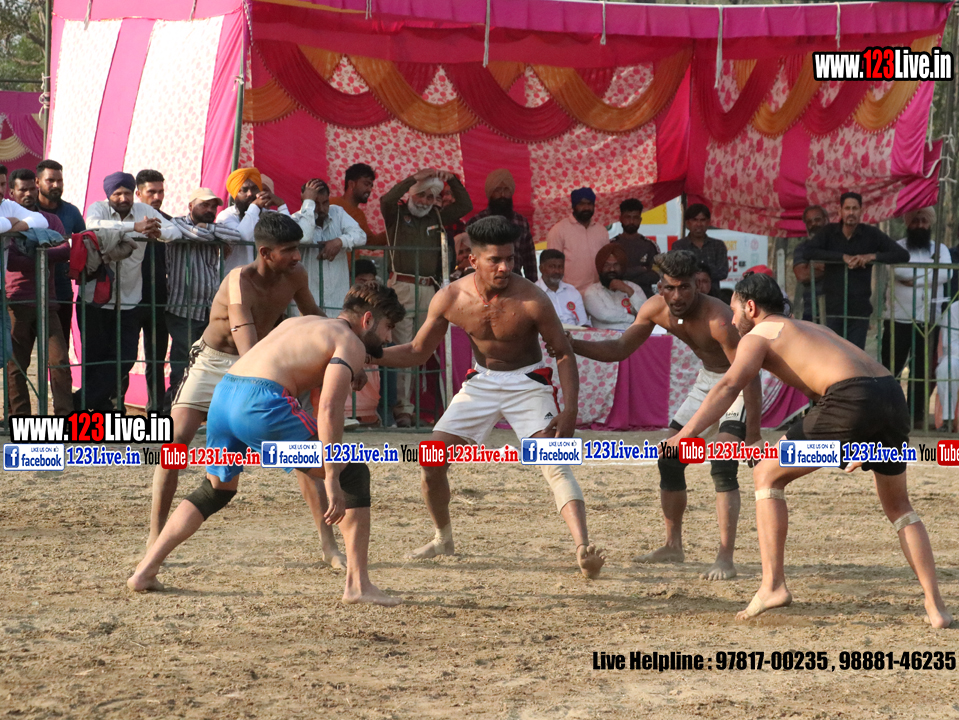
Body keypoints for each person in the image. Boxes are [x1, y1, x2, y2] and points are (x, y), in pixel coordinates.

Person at [665, 272, 952, 628]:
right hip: (890, 393)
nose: (732, 320)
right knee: (899, 507)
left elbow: (728, 386)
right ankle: (935, 606)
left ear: (751, 307)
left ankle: (773, 586)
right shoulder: (808, 327)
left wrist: (685, 436)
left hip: (848, 398)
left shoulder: (759, 334)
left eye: (735, 311)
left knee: (766, 473)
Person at [129, 284, 406, 606]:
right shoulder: (350, 342)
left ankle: (145, 571)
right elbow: (330, 408)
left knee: (215, 490)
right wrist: (332, 476)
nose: (388, 338)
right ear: (368, 319)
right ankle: (358, 585)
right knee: (352, 473)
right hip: (262, 405)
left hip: (225, 396)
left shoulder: (302, 323)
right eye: (388, 327)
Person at [375, 215, 605, 577]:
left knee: (554, 461)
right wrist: (368, 356)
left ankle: (583, 548)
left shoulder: (533, 299)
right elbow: (417, 351)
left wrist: (571, 409)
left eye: (510, 259)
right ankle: (443, 539)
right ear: (473, 260)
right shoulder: (451, 297)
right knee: (431, 460)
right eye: (495, 260)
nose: (504, 267)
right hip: (481, 382)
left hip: (528, 383)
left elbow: (563, 352)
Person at [146, 212, 337, 561]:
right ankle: (154, 539)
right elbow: (246, 346)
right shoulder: (239, 280)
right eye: (289, 250)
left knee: (302, 450)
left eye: (297, 248)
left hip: (261, 363)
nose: (297, 256)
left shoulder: (296, 274)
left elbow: (313, 317)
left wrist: (345, 342)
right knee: (174, 443)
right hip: (216, 361)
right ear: (265, 253)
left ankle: (329, 545)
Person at [567, 250, 762, 580]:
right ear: (660, 287)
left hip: (738, 381)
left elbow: (749, 375)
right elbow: (619, 349)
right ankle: (673, 546)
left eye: (685, 287)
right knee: (670, 458)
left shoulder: (718, 319)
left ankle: (725, 558)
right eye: (670, 288)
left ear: (698, 285)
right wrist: (572, 344)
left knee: (722, 462)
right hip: (709, 381)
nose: (677, 296)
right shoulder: (655, 308)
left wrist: (753, 435)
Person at [380, 168, 472, 427]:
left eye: (432, 197)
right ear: (412, 194)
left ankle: (413, 406)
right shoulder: (396, 214)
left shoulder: (438, 216)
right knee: (404, 346)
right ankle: (403, 409)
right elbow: (387, 199)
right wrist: (414, 178)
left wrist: (452, 180)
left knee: (421, 348)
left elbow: (465, 205)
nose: (426, 202)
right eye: (422, 195)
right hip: (402, 287)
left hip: (430, 290)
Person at [82, 171, 180, 413]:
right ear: (109, 195)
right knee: (96, 357)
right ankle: (100, 410)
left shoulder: (143, 210)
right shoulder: (98, 209)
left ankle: (81, 402)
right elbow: (93, 225)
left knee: (126, 357)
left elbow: (174, 231)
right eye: (118, 194)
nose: (124, 198)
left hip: (129, 299)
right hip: (96, 298)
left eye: (127, 193)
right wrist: (134, 227)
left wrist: (158, 233)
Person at [4, 168, 72, 415]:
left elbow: (65, 249)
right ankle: (19, 417)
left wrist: (38, 254)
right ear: (12, 193)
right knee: (16, 365)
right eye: (22, 190)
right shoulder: (8, 221)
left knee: (59, 361)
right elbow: (12, 261)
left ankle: (65, 417)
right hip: (17, 301)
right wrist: (44, 253)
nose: (29, 193)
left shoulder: (50, 220)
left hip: (47, 300)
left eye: (32, 188)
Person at [805, 191, 909, 349]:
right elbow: (809, 252)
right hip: (833, 307)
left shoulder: (871, 234)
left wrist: (871, 257)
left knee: (855, 355)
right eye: (847, 208)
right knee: (833, 353)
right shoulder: (828, 232)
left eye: (855, 208)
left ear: (861, 211)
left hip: (859, 308)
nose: (851, 212)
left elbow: (902, 255)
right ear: (840, 211)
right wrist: (842, 257)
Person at [166, 188, 242, 405]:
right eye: (204, 205)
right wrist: (212, 235)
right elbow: (196, 235)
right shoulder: (176, 224)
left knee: (205, 362)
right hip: (183, 307)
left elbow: (236, 236)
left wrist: (209, 229)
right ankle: (173, 407)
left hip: (208, 309)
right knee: (183, 362)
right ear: (191, 206)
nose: (209, 210)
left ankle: (195, 407)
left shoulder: (212, 227)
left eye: (213, 206)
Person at [882, 207, 951, 429]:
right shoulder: (898, 247)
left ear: (929, 224)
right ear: (907, 223)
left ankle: (915, 416)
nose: (919, 225)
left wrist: (915, 279)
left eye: (923, 221)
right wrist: (930, 274)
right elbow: (898, 271)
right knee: (891, 368)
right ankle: (889, 414)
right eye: (915, 220)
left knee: (922, 369)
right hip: (898, 318)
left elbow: (946, 273)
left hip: (929, 319)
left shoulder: (940, 248)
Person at [291, 179, 366, 315]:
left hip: (336, 302)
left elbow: (361, 236)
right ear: (305, 201)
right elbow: (305, 237)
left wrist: (340, 241)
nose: (321, 209)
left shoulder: (337, 213)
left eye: (325, 202)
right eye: (315, 203)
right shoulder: (295, 219)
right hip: (306, 307)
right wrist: (308, 203)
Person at [133, 169, 171, 414]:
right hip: (129, 299)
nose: (157, 197)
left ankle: (156, 410)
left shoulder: (169, 222)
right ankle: (114, 409)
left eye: (161, 192)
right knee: (123, 357)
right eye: (151, 192)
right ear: (139, 194)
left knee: (156, 359)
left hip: (159, 299)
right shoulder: (126, 222)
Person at [36, 159, 83, 349]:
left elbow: (83, 244)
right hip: (27, 290)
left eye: (59, 180)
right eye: (50, 180)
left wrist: (73, 266)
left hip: (61, 290)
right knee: (19, 354)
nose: (56, 185)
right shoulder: (26, 211)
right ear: (38, 182)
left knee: (60, 350)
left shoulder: (71, 212)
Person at [466, 169, 536, 281]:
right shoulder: (476, 221)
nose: (502, 195)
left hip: (515, 282)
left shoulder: (521, 222)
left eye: (506, 190)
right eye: (497, 190)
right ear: (490, 193)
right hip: (486, 283)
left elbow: (529, 259)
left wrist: (532, 286)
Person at [218, 167, 290, 274]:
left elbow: (290, 235)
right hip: (237, 278)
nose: (250, 194)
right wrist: (254, 206)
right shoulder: (226, 216)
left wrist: (281, 205)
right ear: (235, 195)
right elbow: (243, 236)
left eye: (255, 188)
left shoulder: (269, 214)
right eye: (244, 190)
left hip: (266, 279)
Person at [545, 187, 609, 296]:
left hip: (599, 294)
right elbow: (551, 266)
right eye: (581, 204)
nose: (586, 208)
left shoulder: (601, 231)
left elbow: (607, 262)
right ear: (573, 206)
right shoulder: (559, 230)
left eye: (589, 204)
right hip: (570, 295)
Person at [583, 244, 646, 330]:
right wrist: (634, 318)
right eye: (607, 265)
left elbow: (646, 314)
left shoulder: (634, 288)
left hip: (634, 336)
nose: (611, 269)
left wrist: (629, 292)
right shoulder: (592, 291)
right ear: (600, 268)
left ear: (622, 267)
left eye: (616, 265)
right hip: (605, 337)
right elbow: (604, 315)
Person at [672, 203, 727, 299]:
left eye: (702, 220)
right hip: (688, 296)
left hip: (713, 296)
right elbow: (678, 271)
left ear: (708, 222)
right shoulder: (679, 246)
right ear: (687, 223)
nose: (699, 224)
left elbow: (723, 272)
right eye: (695, 220)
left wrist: (698, 273)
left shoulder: (718, 245)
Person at [612, 198, 660, 297]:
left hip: (645, 297)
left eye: (635, 217)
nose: (631, 221)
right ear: (620, 218)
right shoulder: (611, 245)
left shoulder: (650, 246)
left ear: (640, 220)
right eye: (628, 217)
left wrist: (626, 276)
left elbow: (656, 275)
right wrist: (642, 269)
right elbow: (611, 275)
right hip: (617, 297)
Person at [330, 163, 387, 246]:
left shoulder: (360, 215)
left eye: (371, 186)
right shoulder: (331, 205)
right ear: (351, 184)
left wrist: (395, 230)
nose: (369, 189)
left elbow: (370, 242)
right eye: (366, 184)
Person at [535, 249, 587, 327]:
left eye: (560, 267)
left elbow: (583, 322)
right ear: (541, 268)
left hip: (575, 333)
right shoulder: (533, 292)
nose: (557, 271)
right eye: (552, 267)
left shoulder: (572, 291)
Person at [793, 205, 828, 321]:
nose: (814, 224)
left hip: (837, 311)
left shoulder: (836, 244)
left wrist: (813, 266)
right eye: (809, 222)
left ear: (825, 220)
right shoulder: (802, 248)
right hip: (811, 310)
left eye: (817, 220)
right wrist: (834, 267)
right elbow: (802, 275)